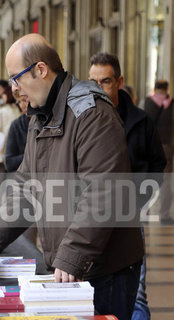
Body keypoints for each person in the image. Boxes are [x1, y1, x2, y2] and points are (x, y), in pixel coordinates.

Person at [0, 34, 144, 320]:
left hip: (104, 269)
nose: (14, 88)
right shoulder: (40, 117)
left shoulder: (91, 113)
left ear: (40, 70)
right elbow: (26, 186)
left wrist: (72, 256)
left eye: (16, 78)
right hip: (72, 266)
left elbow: (104, 194)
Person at [89, 52, 166, 320]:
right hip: (93, 220)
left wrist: (139, 200)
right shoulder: (82, 121)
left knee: (136, 297)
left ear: (119, 81)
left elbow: (157, 165)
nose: (98, 89)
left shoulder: (141, 121)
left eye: (105, 81)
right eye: (92, 82)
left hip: (130, 219)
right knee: (94, 294)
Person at [144, 80, 174, 225]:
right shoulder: (171, 103)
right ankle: (165, 215)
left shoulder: (148, 102)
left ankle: (145, 213)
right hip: (167, 146)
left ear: (155, 88)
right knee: (166, 180)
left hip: (150, 144)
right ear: (167, 89)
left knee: (148, 177)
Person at [5, 95, 31, 172]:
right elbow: (9, 163)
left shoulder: (48, 121)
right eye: (19, 102)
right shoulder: (17, 125)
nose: (22, 106)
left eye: (24, 100)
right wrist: (33, 155)